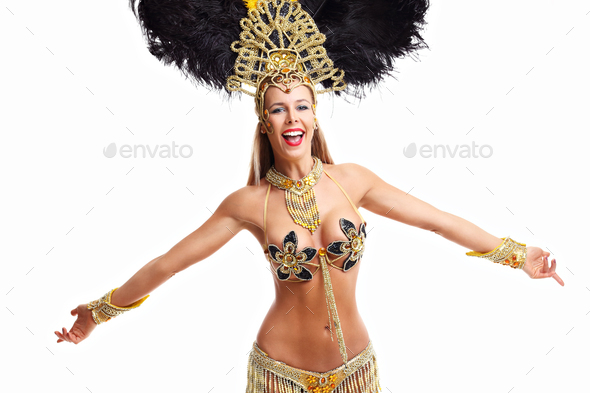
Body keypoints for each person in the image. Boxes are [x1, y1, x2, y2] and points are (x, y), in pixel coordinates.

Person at [54, 1, 564, 392]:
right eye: (278, 109)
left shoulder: (353, 181)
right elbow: (167, 264)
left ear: (315, 114)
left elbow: (436, 221)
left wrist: (519, 256)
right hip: (278, 374)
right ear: (265, 122)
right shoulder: (247, 205)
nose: (292, 117)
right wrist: (97, 313)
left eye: (301, 105)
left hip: (356, 373)